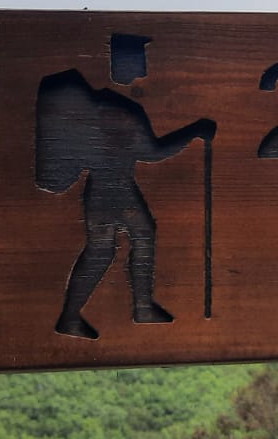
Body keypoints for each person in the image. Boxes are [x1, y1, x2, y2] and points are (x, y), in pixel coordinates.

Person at [35, 37, 213, 340]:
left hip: (107, 189)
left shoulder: (106, 107)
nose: (141, 71)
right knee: (112, 247)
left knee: (123, 242)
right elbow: (154, 152)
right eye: (137, 64)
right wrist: (194, 132)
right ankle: (93, 312)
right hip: (112, 190)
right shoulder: (120, 110)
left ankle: (124, 308)